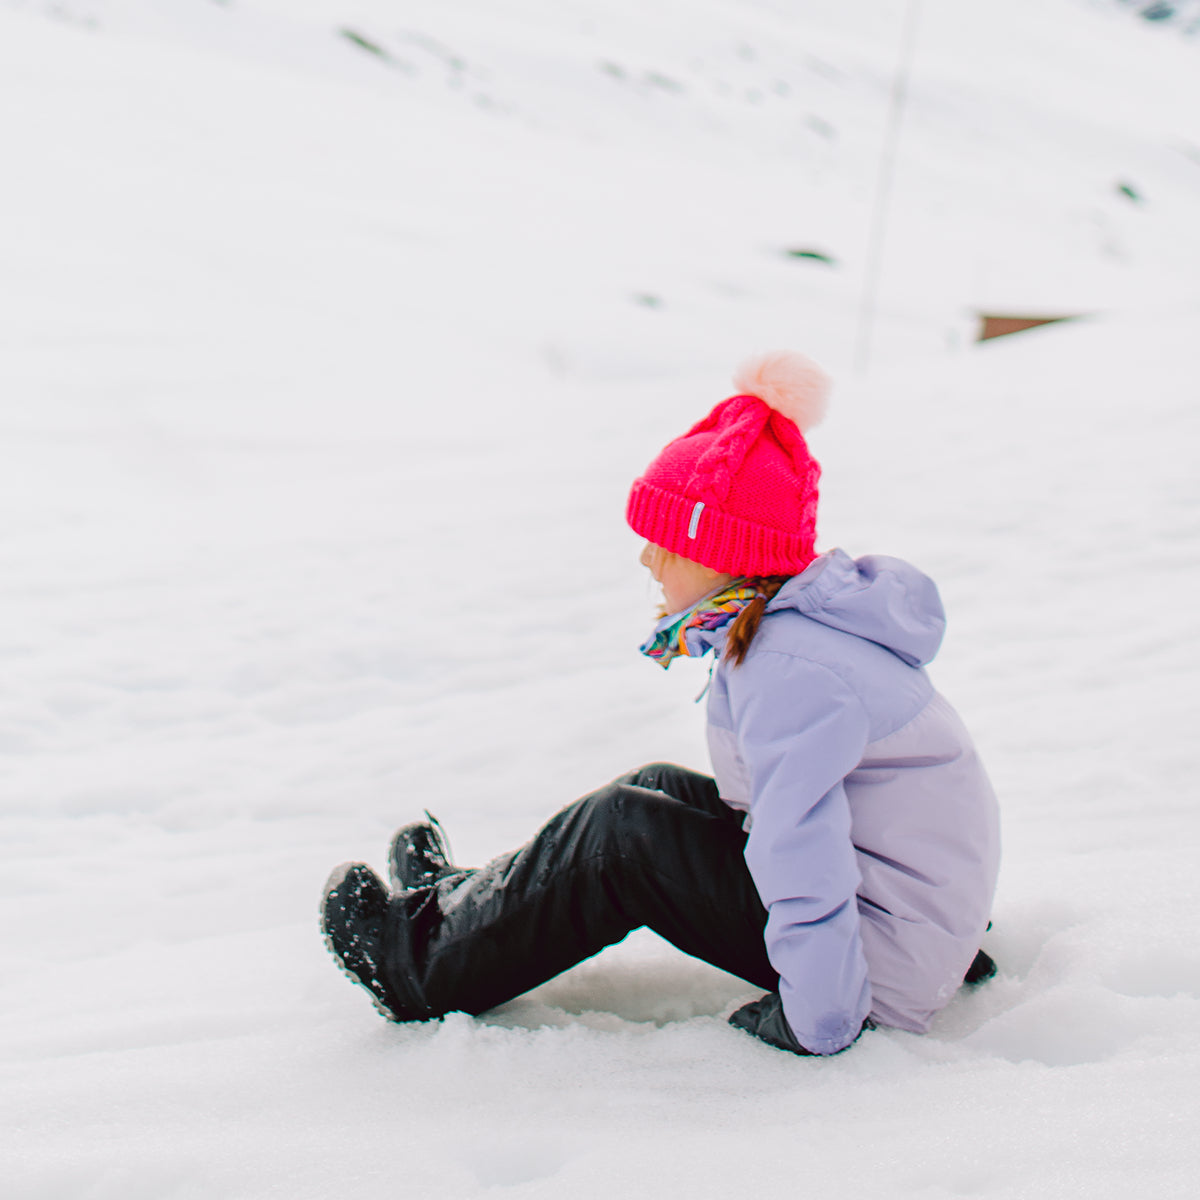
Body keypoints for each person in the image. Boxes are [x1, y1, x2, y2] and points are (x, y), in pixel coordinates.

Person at [320, 351, 1001, 1056]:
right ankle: (465, 911)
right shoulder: (796, 635)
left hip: (876, 967)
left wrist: (821, 1018)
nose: (648, 560)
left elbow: (802, 846)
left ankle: (419, 964)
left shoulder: (792, 670)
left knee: (624, 837)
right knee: (652, 790)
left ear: (724, 551)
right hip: (910, 923)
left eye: (665, 543)